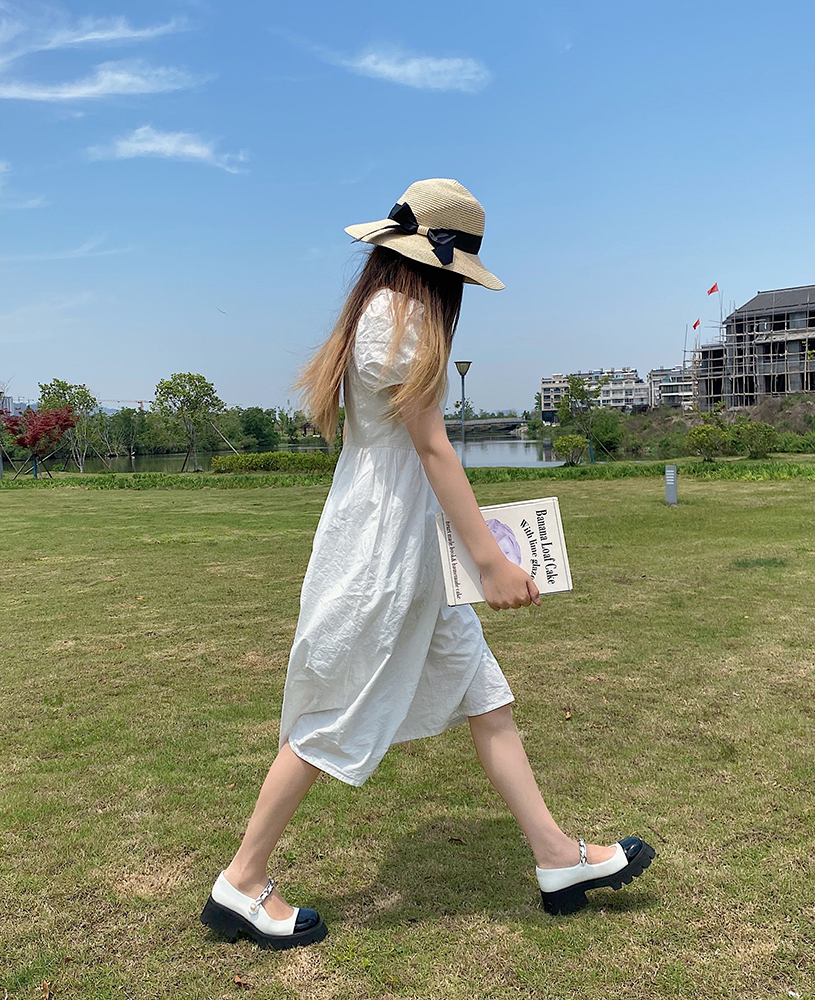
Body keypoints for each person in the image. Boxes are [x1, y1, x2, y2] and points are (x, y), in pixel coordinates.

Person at [200, 179, 654, 950]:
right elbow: (433, 447)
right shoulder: (400, 317)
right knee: (332, 713)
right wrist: (492, 561)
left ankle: (555, 857)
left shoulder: (380, 310)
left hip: (407, 547)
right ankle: (241, 880)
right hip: (387, 553)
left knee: (486, 697)